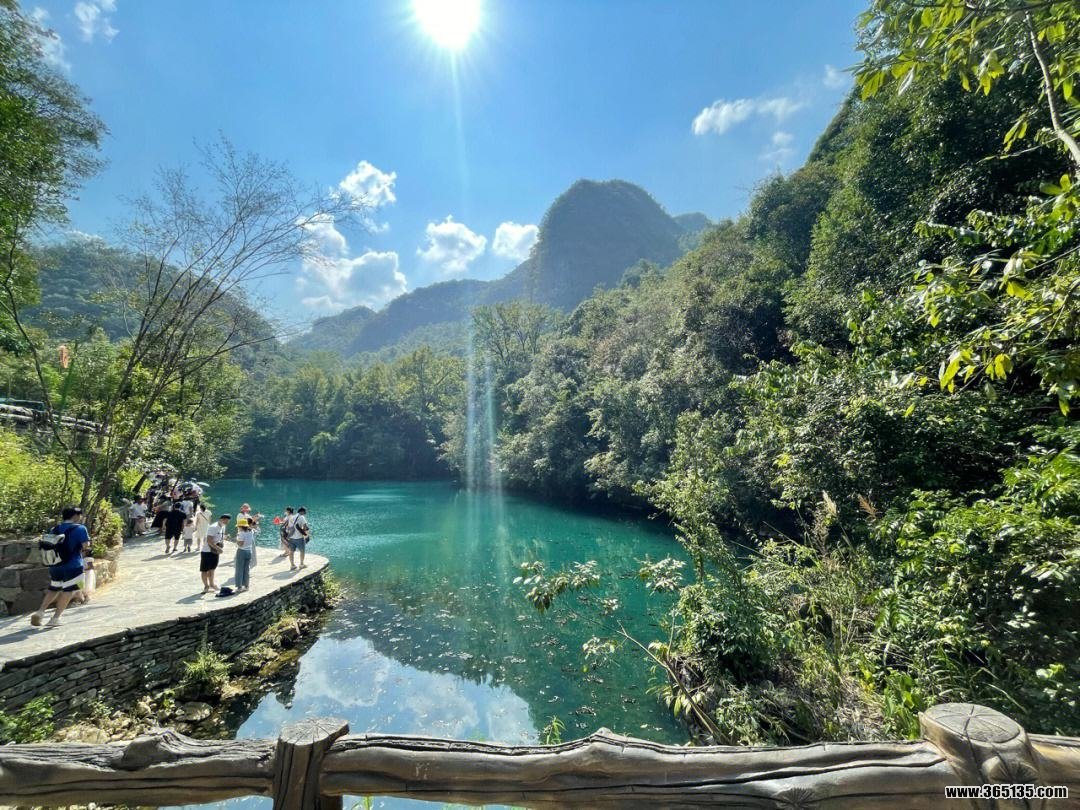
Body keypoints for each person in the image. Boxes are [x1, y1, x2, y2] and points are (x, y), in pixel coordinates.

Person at [30, 506, 91, 628]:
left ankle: (40, 612)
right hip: (73, 565)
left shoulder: (54, 529)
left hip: (55, 565)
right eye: (79, 515)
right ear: (75, 516)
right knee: (68, 591)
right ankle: (55, 618)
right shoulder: (80, 528)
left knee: (54, 588)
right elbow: (85, 546)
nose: (80, 517)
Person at [200, 513, 229, 593]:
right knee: (204, 570)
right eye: (226, 520)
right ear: (221, 519)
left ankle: (212, 584)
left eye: (228, 521)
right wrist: (218, 548)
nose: (227, 522)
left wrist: (225, 538)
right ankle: (206, 586)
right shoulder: (213, 527)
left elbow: (219, 537)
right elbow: (209, 540)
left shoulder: (223, 527)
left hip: (215, 551)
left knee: (212, 569)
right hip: (207, 551)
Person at [233, 517, 256, 592]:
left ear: (241, 526)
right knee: (246, 569)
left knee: (239, 569)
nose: (238, 527)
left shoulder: (241, 533)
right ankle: (246, 586)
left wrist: (236, 540)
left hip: (241, 551)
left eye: (238, 526)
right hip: (249, 551)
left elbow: (241, 544)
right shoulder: (251, 531)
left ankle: (239, 587)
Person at [287, 506, 310, 571]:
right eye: (305, 512)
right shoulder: (301, 517)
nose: (305, 513)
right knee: (302, 551)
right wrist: (307, 535)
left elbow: (289, 527)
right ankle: (301, 564)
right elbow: (305, 527)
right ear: (302, 511)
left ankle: (292, 565)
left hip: (291, 537)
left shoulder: (292, 517)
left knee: (291, 551)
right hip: (299, 537)